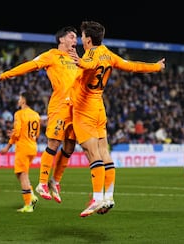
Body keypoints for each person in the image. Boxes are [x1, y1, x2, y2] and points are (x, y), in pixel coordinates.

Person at [69, 20, 165, 217]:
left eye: (82, 36)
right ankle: (109, 196)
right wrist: (155, 67)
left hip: (84, 110)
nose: (81, 38)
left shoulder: (91, 55)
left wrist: (80, 62)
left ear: (88, 39)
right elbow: (132, 66)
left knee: (92, 153)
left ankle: (96, 198)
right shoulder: (108, 54)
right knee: (104, 152)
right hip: (99, 108)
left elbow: (90, 63)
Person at [0, 26, 79, 204]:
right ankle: (42, 182)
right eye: (72, 37)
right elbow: (29, 66)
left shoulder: (77, 59)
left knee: (69, 147)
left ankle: (55, 181)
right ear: (61, 40)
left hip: (76, 109)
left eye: (76, 38)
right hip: (60, 106)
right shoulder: (51, 55)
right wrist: (4, 76)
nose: (75, 41)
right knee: (54, 143)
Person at [0, 91, 41, 213]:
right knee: (21, 174)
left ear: (24, 100)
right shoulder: (36, 115)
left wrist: (7, 146)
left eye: (20, 98)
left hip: (23, 148)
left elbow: (17, 132)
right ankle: (32, 196)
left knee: (22, 176)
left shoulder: (19, 114)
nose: (18, 100)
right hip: (33, 146)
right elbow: (37, 134)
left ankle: (28, 204)